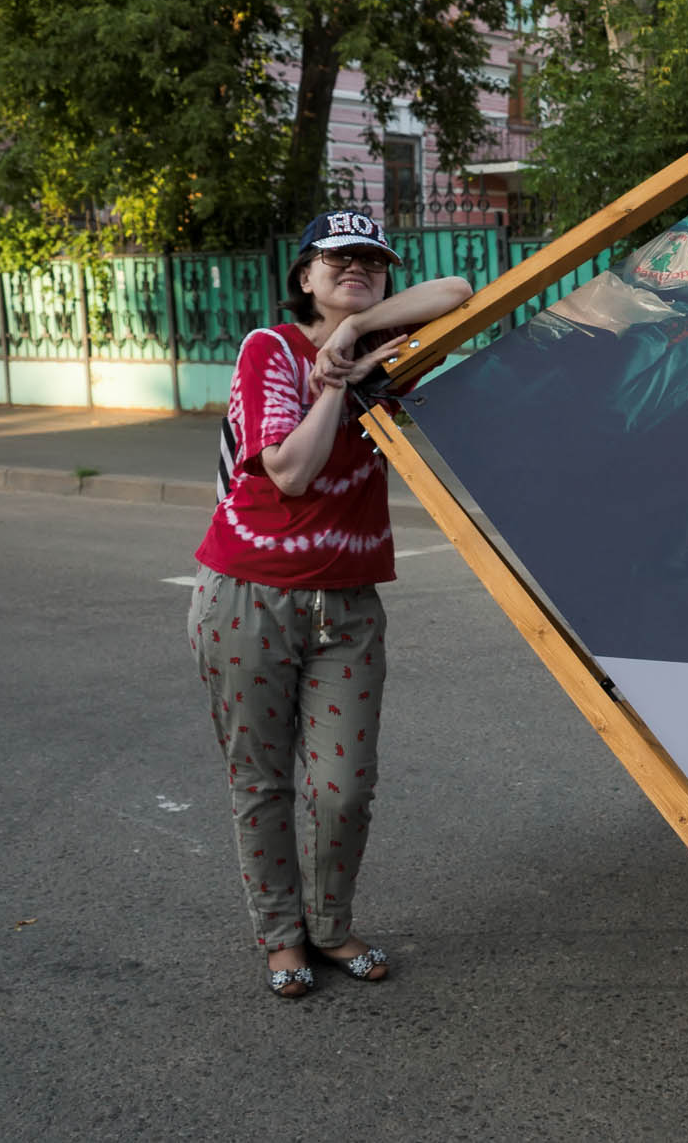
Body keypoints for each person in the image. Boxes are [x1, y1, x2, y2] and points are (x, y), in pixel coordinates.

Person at [185, 209, 473, 998]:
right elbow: (291, 472)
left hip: (347, 603)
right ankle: (283, 937)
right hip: (248, 596)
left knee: (344, 788)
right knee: (262, 782)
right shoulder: (270, 349)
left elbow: (458, 289)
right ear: (305, 275)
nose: (357, 269)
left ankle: (332, 925)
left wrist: (352, 334)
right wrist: (333, 384)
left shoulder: (387, 345)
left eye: (372, 261)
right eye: (338, 258)